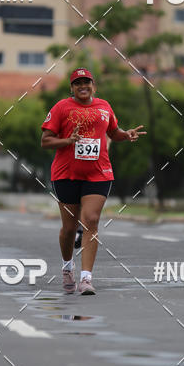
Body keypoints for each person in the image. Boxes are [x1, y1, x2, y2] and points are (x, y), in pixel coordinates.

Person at [41, 68, 146, 295]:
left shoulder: (104, 107)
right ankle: (67, 267)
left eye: (86, 82)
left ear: (93, 86)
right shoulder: (61, 108)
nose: (83, 86)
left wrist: (126, 134)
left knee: (91, 219)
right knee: (69, 228)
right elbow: (45, 141)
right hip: (66, 173)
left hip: (98, 173)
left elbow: (113, 132)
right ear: (72, 88)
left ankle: (86, 279)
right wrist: (68, 140)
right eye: (77, 83)